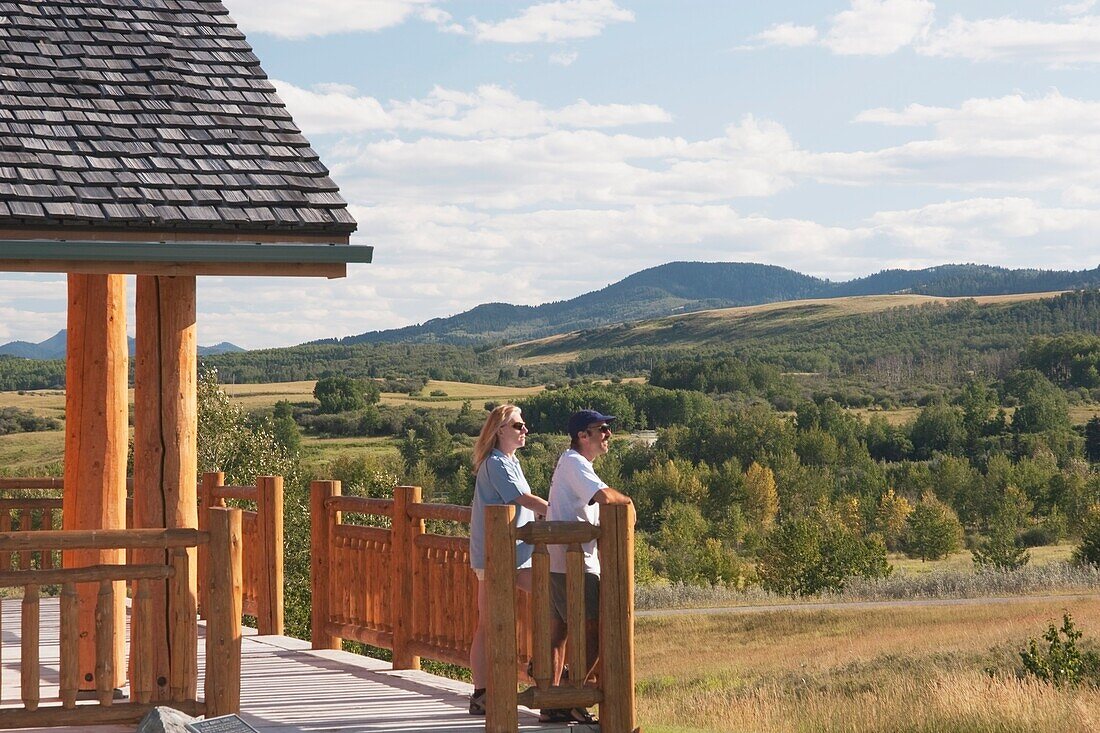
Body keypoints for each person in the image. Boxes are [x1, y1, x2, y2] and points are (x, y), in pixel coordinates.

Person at [542, 409, 632, 724]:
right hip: (574, 564)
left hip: (562, 561)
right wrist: (630, 506)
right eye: (602, 429)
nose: (608, 434)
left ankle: (555, 699)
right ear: (583, 435)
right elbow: (606, 497)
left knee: (561, 632)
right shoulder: (575, 463)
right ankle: (572, 695)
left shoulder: (574, 463)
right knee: (594, 631)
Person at [467, 404, 549, 716]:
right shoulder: (496, 464)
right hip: (495, 559)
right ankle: (482, 693)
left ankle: (542, 667)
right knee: (488, 625)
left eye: (523, 425)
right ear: (499, 430)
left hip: (515, 557)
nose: (524, 430)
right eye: (517, 426)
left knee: (552, 595)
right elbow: (522, 499)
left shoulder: (510, 462)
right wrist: (556, 509)